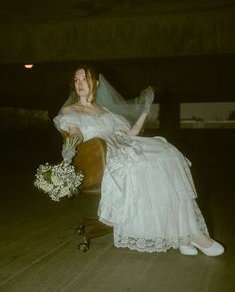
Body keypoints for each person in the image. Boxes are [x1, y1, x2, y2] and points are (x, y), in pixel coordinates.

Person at [53, 66, 225, 256]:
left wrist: (144, 111)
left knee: (169, 155)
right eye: (76, 80)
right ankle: (191, 235)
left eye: (84, 79)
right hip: (99, 157)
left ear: (96, 83)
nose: (79, 84)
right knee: (147, 164)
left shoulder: (105, 110)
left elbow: (130, 134)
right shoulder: (70, 110)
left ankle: (185, 235)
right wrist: (68, 150)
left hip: (124, 145)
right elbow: (75, 133)